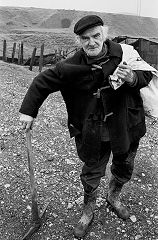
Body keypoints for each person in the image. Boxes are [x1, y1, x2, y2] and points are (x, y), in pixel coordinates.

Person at [19, 15, 153, 238]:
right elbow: (41, 83)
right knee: (91, 172)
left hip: (126, 125)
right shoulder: (69, 67)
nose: (91, 42)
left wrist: (131, 78)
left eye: (95, 36)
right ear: (79, 41)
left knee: (124, 166)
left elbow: (146, 75)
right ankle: (88, 210)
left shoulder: (125, 53)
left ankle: (114, 197)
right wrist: (28, 112)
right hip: (93, 131)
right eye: (85, 38)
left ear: (104, 34)